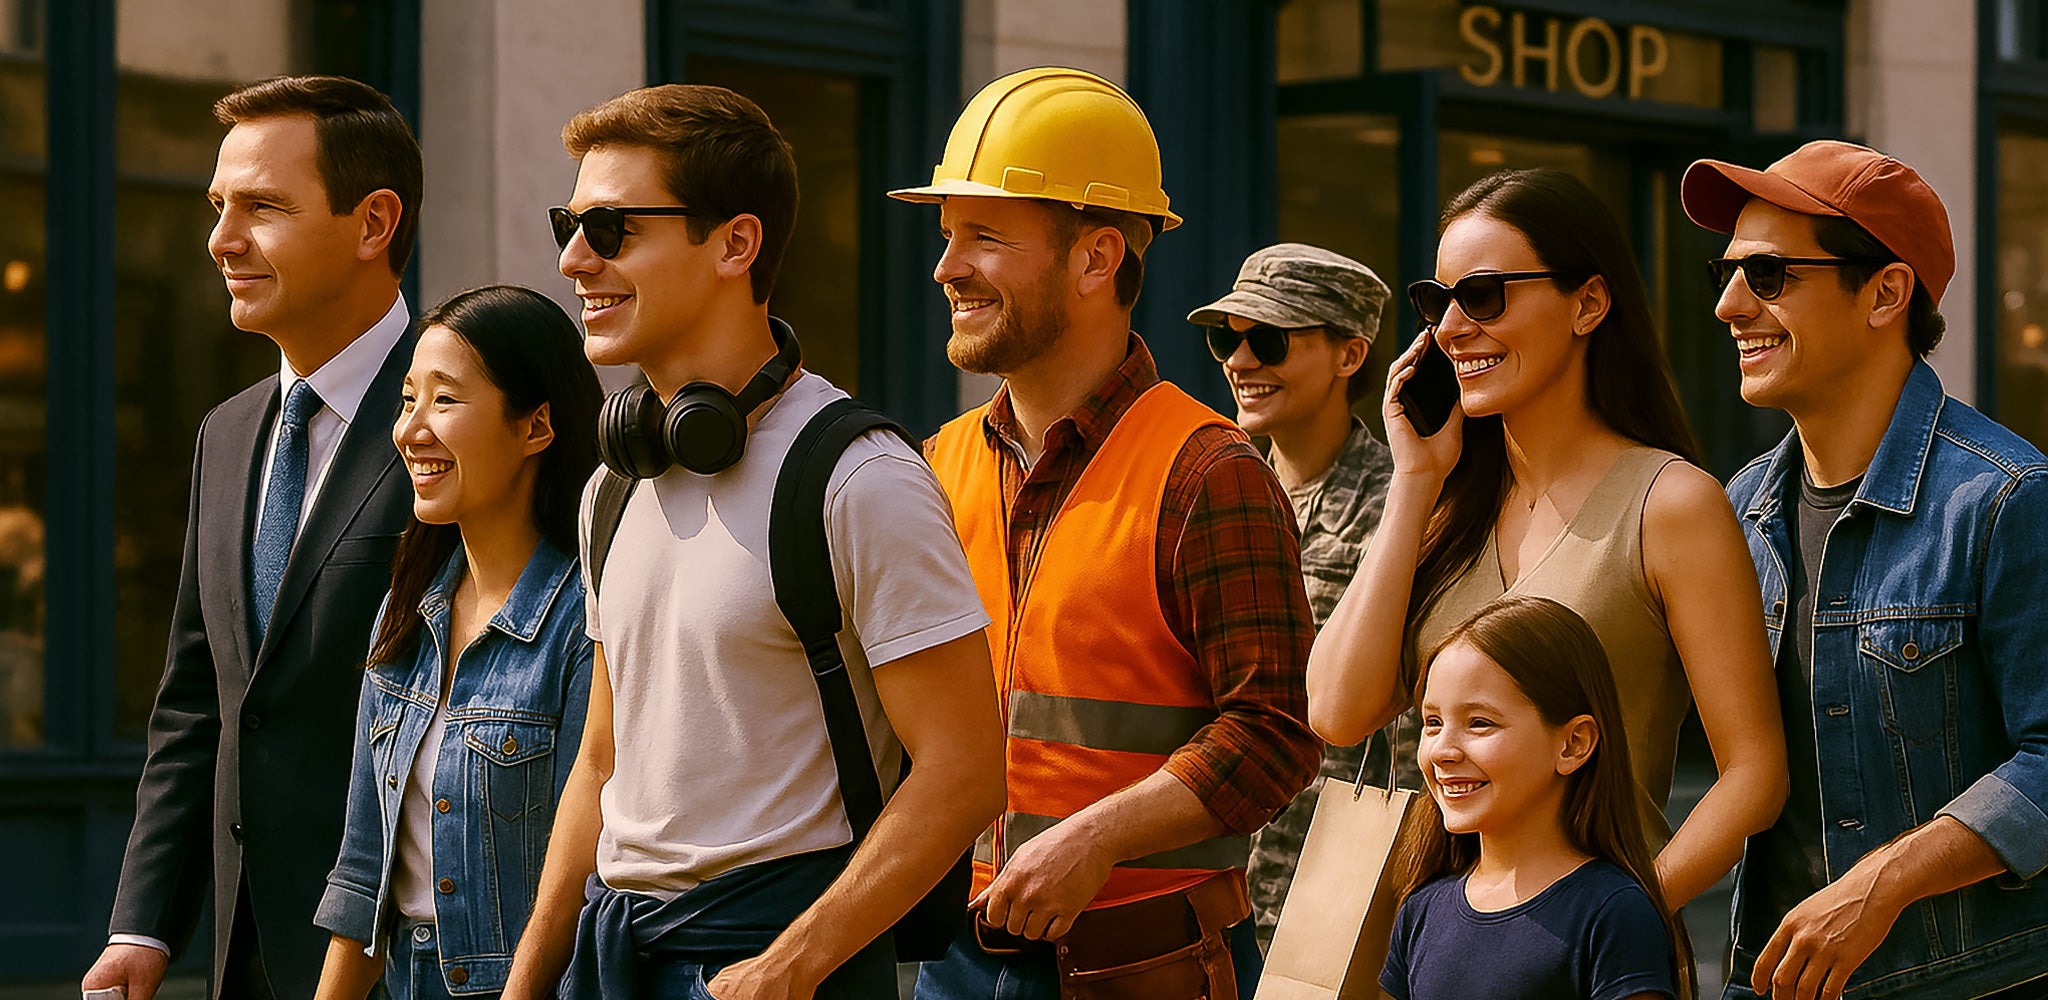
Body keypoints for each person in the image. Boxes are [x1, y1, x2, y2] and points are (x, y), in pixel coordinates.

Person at [498, 84, 1004, 1000]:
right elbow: (602, 761)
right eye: (567, 226)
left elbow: (965, 773)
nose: (573, 259)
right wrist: (528, 980)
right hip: (618, 962)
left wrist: (788, 967)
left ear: (736, 243)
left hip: (774, 966)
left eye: (610, 229)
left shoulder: (863, 479)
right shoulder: (615, 484)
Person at [894, 67, 1322, 1000]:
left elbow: (1274, 735)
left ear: (1097, 259)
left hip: (1149, 968)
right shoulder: (937, 463)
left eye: (985, 237)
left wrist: (1094, 839)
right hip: (952, 964)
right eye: (946, 235)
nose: (947, 268)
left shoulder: (1209, 472)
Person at [1307, 168, 1789, 912]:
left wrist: (1628, 921)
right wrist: (1414, 480)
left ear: (1587, 304)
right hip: (1442, 945)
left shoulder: (1671, 504)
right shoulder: (1445, 504)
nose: (1451, 328)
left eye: (1483, 295)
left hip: (1596, 953)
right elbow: (1338, 712)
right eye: (1436, 302)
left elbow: (1754, 774)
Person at [1683, 140, 2048, 1000]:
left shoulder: (2004, 498)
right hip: (1767, 980)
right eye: (1726, 274)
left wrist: (1883, 884)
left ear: (1886, 292)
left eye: (1768, 274)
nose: (1730, 305)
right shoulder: (1740, 509)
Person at [83, 76, 421, 1000]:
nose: (222, 239)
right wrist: (143, 927)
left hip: (408, 955)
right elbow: (201, 701)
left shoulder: (462, 416)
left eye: (262, 207)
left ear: (373, 223)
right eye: (218, 206)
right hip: (245, 956)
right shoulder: (227, 433)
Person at [309, 286, 602, 1000]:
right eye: (408, 400)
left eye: (444, 400)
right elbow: (363, 877)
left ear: (536, 427)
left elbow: (582, 882)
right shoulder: (405, 611)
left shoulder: (586, 620)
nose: (410, 430)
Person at [1185, 243, 1406, 948]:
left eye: (1271, 340)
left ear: (1350, 355)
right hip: (1210, 887)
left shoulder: (1403, 507)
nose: (1241, 361)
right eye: (1227, 339)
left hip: (1340, 894)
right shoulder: (1213, 491)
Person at [1383, 594, 1687, 1000]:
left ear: (1573, 743)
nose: (1442, 751)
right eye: (1433, 722)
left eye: (1479, 723)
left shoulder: (1614, 914)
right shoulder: (1420, 910)